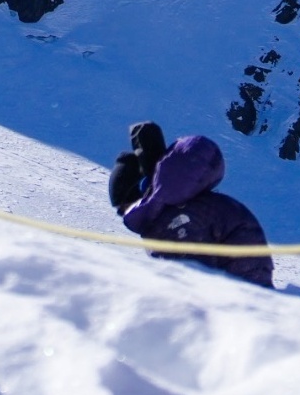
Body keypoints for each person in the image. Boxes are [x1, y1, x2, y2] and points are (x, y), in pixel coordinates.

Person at [112, 123, 273, 288]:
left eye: (121, 208)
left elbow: (190, 282)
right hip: (248, 291)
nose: (123, 214)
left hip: (241, 297)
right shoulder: (185, 205)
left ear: (137, 198)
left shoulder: (176, 219)